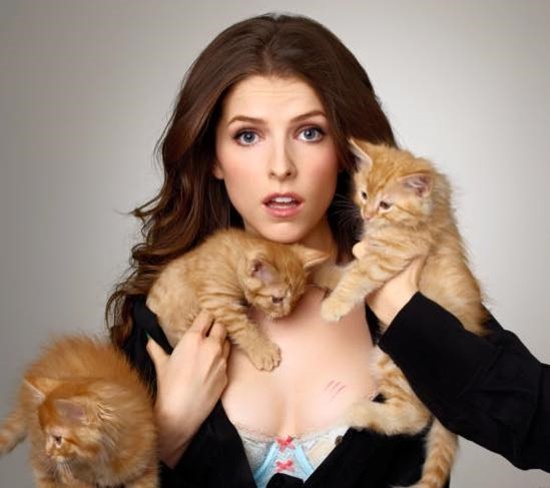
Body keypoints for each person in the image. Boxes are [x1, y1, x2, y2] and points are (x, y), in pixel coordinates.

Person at [106, 13, 550, 487]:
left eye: (309, 132)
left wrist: (408, 315)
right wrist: (168, 432)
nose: (281, 167)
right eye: (248, 136)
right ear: (214, 157)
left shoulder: (419, 295)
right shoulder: (165, 315)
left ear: (344, 151)